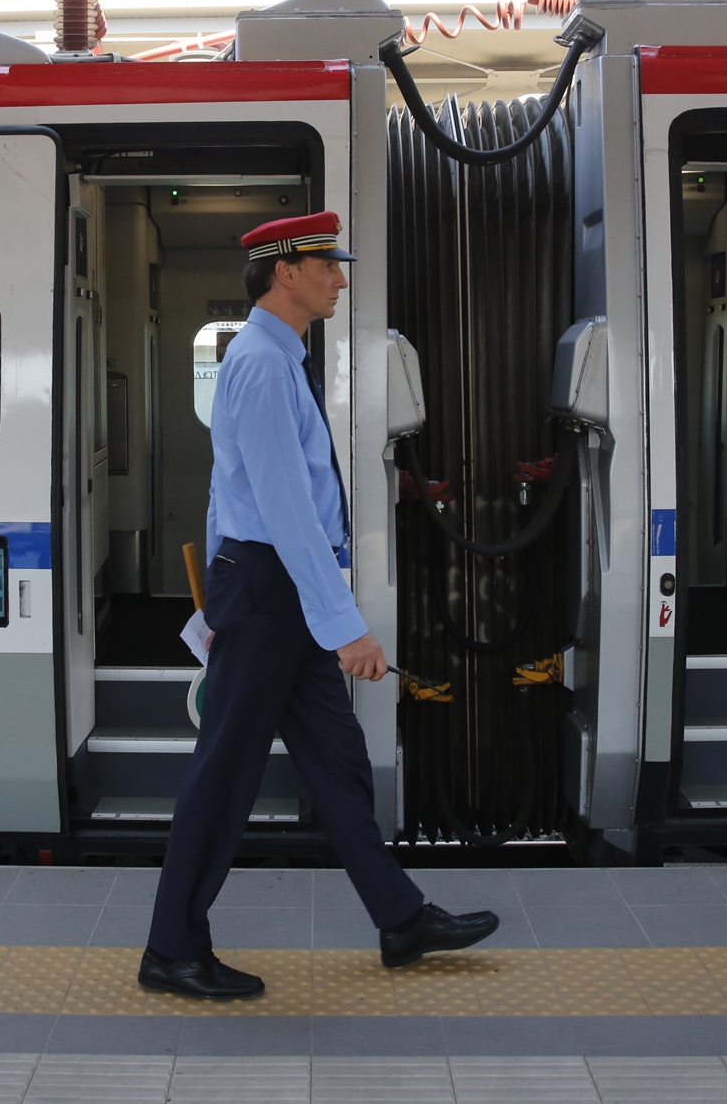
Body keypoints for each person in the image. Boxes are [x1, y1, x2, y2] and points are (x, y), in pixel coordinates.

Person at [138, 210, 499, 1001]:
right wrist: (344, 627)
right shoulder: (264, 366)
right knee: (224, 774)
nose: (339, 277)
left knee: (337, 765)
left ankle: (401, 918)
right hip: (273, 591)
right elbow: (283, 506)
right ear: (284, 272)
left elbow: (228, 487)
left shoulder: (275, 357)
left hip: (270, 587)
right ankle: (171, 947)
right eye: (326, 264)